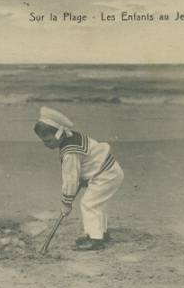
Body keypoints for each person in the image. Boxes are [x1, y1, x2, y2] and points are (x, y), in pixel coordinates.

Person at [34, 106, 124, 250]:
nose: (46, 145)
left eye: (48, 141)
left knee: (89, 204)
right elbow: (87, 160)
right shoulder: (71, 136)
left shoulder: (69, 152)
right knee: (96, 204)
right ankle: (100, 233)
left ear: (59, 134)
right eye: (44, 141)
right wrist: (84, 177)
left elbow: (70, 179)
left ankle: (95, 240)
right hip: (108, 171)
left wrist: (66, 203)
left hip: (106, 175)